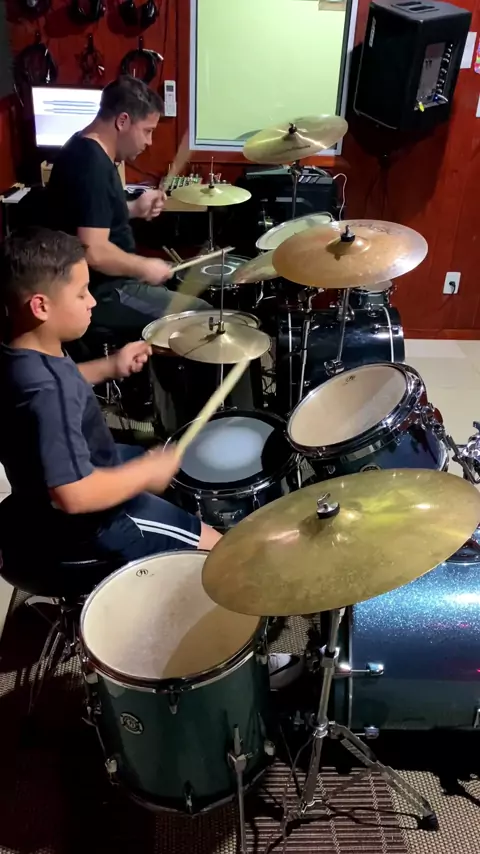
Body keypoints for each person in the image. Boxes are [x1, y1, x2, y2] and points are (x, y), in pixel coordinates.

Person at [0, 228, 221, 575]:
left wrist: (109, 366)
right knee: (221, 551)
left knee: (158, 464)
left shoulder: (22, 353)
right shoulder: (50, 389)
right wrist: (145, 474)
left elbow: (52, 388)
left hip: (41, 491)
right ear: (41, 306)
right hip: (96, 526)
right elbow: (73, 495)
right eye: (81, 293)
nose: (92, 301)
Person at [46, 75, 210, 337]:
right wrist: (143, 266)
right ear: (122, 121)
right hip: (103, 290)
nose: (149, 142)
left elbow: (89, 215)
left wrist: (133, 208)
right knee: (203, 316)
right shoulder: (92, 165)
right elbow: (94, 252)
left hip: (108, 282)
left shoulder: (83, 147)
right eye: (147, 130)